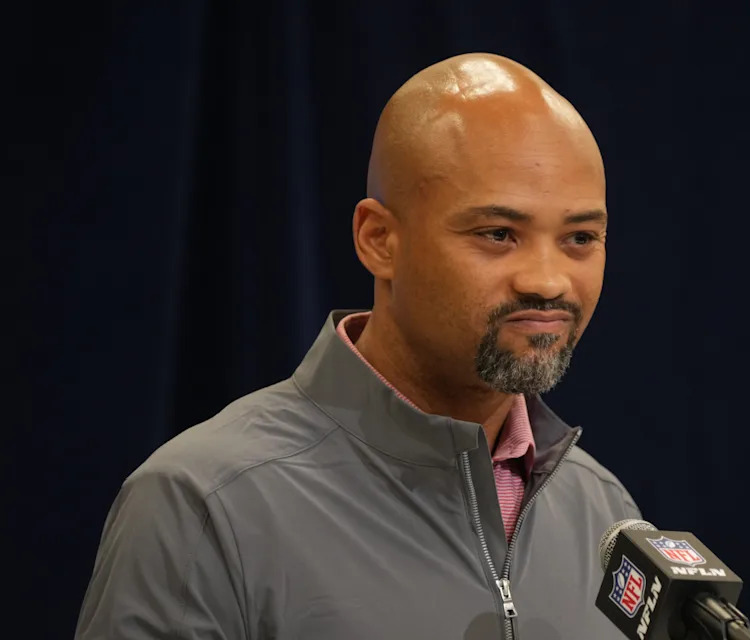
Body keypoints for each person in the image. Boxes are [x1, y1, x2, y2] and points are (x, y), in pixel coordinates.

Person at [75, 52, 642, 640]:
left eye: (580, 238)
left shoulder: (604, 512)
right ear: (379, 240)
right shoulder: (204, 504)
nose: (548, 281)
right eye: (498, 234)